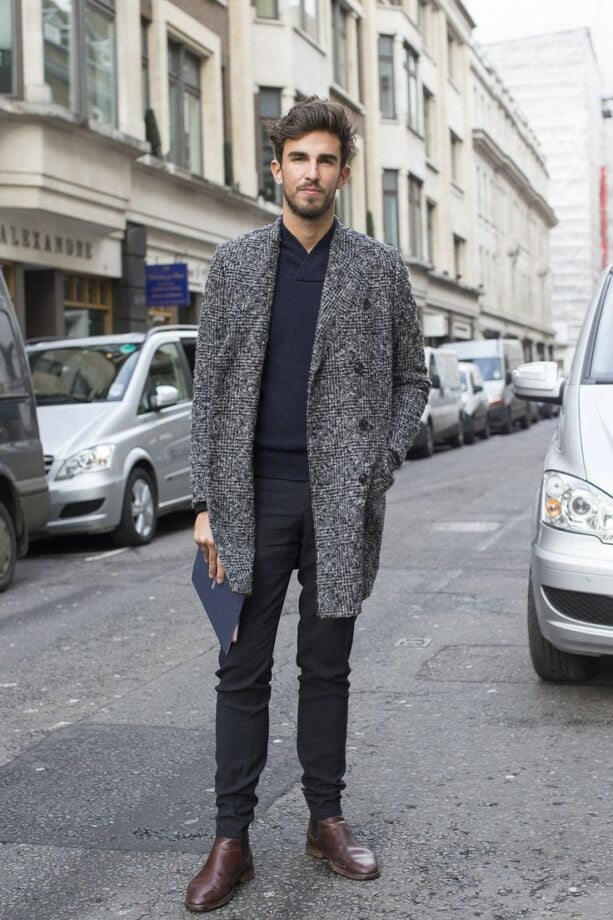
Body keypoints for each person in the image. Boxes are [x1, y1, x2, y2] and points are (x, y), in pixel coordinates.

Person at [186, 96, 430, 912]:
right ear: (277, 167)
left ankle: (324, 819)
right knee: (239, 669)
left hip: (338, 498)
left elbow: (412, 379)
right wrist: (205, 502)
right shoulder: (234, 264)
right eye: (299, 159)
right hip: (247, 496)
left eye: (326, 160)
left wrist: (378, 462)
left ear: (343, 173)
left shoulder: (377, 267)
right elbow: (207, 393)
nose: (311, 173)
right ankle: (231, 839)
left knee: (326, 666)